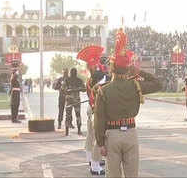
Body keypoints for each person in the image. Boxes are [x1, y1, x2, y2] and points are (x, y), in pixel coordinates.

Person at [94, 28, 162, 178]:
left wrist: (100, 143)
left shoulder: (103, 90)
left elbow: (99, 119)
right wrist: (137, 71)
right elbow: (158, 84)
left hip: (112, 136)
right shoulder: (135, 86)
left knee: (113, 175)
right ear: (127, 68)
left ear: (112, 68)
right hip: (131, 133)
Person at [77, 45, 108, 175]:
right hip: (98, 109)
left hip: (91, 107)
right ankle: (95, 165)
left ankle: (90, 159)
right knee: (98, 137)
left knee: (90, 135)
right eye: (99, 60)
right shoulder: (100, 75)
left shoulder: (90, 77)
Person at [63, 68, 86, 136]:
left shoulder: (68, 80)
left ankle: (70, 131)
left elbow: (84, 89)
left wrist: (74, 89)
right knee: (76, 115)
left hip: (71, 100)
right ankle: (76, 130)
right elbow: (64, 89)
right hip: (74, 100)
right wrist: (76, 89)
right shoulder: (76, 80)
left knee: (70, 115)